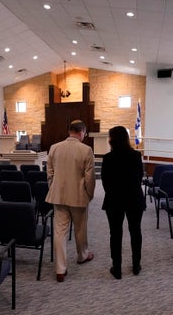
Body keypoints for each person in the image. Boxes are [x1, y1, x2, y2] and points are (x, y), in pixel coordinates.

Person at [46, 120, 96, 282]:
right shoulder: (86, 150)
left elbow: (50, 173)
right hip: (78, 196)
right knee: (80, 229)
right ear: (82, 132)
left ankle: (60, 269)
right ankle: (82, 255)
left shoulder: (54, 147)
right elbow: (90, 178)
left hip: (58, 196)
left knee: (59, 232)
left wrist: (53, 188)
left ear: (69, 131)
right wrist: (89, 194)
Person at [101, 126, 146, 279]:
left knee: (115, 233)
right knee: (136, 231)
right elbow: (140, 177)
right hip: (134, 198)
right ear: (126, 138)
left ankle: (117, 268)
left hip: (114, 199)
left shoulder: (108, 158)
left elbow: (105, 182)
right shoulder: (136, 155)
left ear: (111, 139)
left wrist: (114, 192)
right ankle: (136, 265)